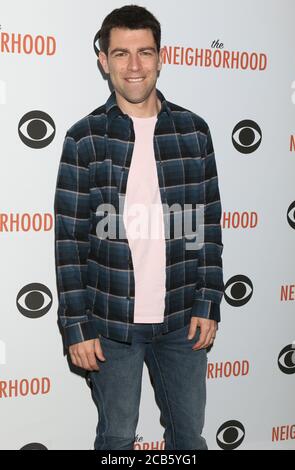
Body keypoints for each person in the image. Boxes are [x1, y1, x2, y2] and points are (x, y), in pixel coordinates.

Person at [54, 4, 224, 451]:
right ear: (103, 60)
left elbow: (208, 223)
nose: (134, 66)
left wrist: (209, 301)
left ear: (160, 57)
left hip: (182, 319)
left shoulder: (194, 132)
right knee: (116, 439)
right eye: (122, 53)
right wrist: (76, 326)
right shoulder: (84, 137)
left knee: (189, 438)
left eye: (145, 53)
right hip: (109, 323)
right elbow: (69, 242)